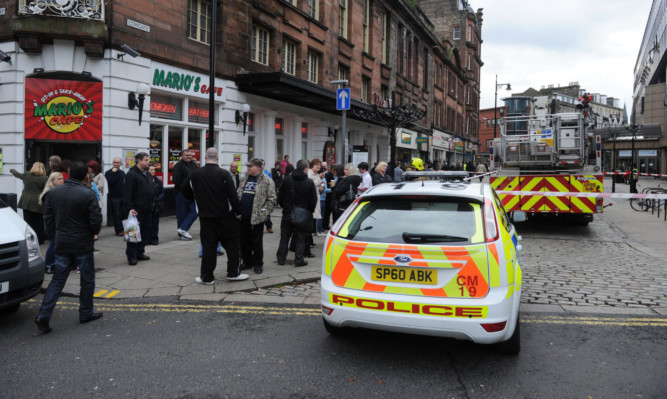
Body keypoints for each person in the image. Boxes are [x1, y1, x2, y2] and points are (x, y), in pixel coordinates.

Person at [35, 162, 103, 334]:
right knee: (87, 279)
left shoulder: (53, 193)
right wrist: (93, 233)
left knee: (58, 280)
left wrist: (54, 236)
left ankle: (43, 315)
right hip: (82, 243)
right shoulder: (87, 194)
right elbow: (96, 220)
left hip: (62, 242)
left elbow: (48, 219)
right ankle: (86, 313)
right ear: (85, 176)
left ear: (69, 174)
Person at [182, 148, 248, 284]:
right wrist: (238, 212)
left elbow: (184, 190)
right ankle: (233, 273)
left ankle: (207, 277)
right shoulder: (224, 174)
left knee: (208, 247)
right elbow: (233, 196)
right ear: (218, 157)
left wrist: (196, 197)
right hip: (225, 217)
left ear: (205, 157)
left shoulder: (196, 174)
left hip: (206, 217)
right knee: (232, 245)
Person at [237, 158, 277, 274]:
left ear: (258, 167)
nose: (248, 168)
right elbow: (238, 193)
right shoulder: (245, 178)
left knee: (257, 242)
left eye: (250, 166)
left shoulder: (267, 181)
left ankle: (258, 264)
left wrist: (265, 213)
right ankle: (247, 262)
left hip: (257, 218)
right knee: (244, 242)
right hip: (243, 216)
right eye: (248, 166)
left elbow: (272, 199)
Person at [277, 159, 317, 267]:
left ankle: (281, 259)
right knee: (300, 238)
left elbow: (280, 196)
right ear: (305, 169)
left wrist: (284, 206)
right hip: (302, 214)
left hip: (287, 212)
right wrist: (309, 211)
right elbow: (313, 200)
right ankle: (299, 260)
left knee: (285, 237)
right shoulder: (309, 182)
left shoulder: (288, 179)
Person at [123, 152, 154, 266]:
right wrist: (130, 207)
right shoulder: (132, 174)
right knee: (133, 233)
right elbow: (128, 192)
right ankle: (131, 256)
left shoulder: (147, 174)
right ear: (139, 161)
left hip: (147, 208)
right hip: (136, 210)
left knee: (144, 233)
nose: (148, 162)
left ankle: (140, 252)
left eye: (148, 160)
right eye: (146, 160)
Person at [10, 162, 48, 244]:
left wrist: (11, 170)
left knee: (28, 221)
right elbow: (45, 190)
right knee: (39, 222)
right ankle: (40, 239)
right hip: (37, 202)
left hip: (26, 201)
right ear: (42, 169)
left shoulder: (27, 175)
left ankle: (29, 239)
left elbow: (17, 174)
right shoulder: (44, 178)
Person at [38, 172, 65, 274]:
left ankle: (53, 263)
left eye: (62, 179)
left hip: (58, 222)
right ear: (53, 181)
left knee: (56, 244)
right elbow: (49, 212)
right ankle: (48, 265)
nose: (62, 180)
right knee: (53, 244)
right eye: (59, 179)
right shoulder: (50, 193)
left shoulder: (57, 192)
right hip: (52, 223)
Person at [173, 149, 198, 240]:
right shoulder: (178, 166)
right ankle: (181, 235)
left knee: (195, 212)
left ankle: (183, 229)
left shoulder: (194, 165)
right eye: (186, 155)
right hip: (181, 193)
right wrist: (185, 189)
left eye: (190, 155)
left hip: (192, 194)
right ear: (182, 156)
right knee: (182, 214)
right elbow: (176, 180)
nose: (188, 157)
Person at [105, 157, 126, 236]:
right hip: (114, 197)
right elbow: (111, 182)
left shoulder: (122, 173)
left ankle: (124, 229)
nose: (116, 164)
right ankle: (119, 231)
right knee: (116, 215)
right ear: (112, 163)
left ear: (120, 164)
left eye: (118, 162)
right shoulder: (108, 172)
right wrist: (114, 173)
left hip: (123, 196)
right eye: (115, 162)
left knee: (124, 214)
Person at [147, 165, 165, 246]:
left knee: (155, 223)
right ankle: (146, 239)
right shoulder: (145, 180)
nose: (153, 171)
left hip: (156, 205)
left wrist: (159, 198)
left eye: (154, 170)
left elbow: (162, 191)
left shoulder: (158, 180)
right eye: (151, 170)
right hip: (148, 204)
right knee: (147, 223)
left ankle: (154, 239)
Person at [261, 159, 274, 233]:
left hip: (265, 194)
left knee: (266, 212)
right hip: (258, 195)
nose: (262, 165)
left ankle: (269, 226)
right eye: (261, 164)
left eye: (263, 164)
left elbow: (271, 183)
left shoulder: (267, 172)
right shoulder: (256, 173)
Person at [321, 162, 335, 230]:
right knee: (327, 211)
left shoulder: (335, 175)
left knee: (329, 211)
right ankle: (325, 224)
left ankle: (326, 224)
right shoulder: (328, 175)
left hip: (332, 195)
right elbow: (326, 187)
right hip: (328, 195)